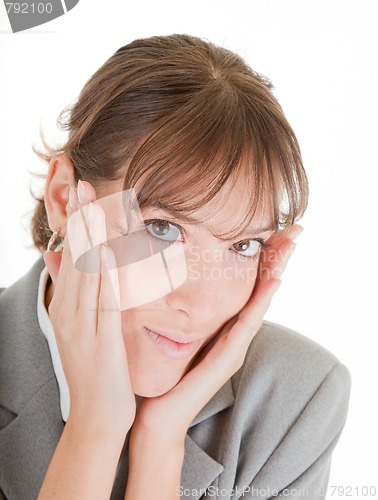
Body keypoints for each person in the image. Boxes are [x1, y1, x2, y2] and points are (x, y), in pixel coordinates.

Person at [0, 34, 351, 500]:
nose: (201, 303)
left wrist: (161, 443)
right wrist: (95, 427)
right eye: (162, 228)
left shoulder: (293, 399)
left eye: (243, 244)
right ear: (66, 198)